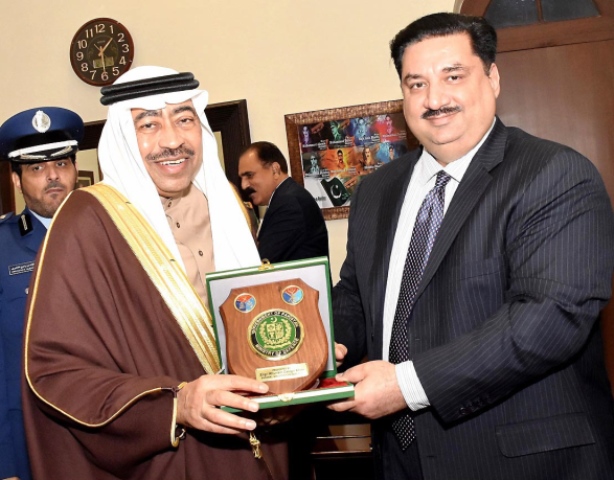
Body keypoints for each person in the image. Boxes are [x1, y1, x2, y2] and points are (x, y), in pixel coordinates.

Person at [329, 12, 614, 480]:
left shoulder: (554, 174)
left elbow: (549, 317)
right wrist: (318, 349)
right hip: (400, 460)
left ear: (493, 77)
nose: (434, 99)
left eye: (453, 77)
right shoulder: (376, 191)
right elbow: (357, 296)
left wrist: (405, 385)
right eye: (416, 84)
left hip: (523, 461)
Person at [22, 67, 288, 480]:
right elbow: (54, 369)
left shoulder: (227, 206)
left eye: (184, 119)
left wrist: (297, 353)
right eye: (148, 123)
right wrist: (174, 405)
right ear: (125, 138)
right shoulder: (86, 220)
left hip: (252, 444)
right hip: (164, 457)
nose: (171, 139)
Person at [0, 107, 82, 480]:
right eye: (36, 168)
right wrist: (6, 463)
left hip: (108, 432)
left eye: (62, 163)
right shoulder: (3, 248)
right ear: (16, 180)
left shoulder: (114, 235)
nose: (53, 176)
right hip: (31, 438)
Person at [239, 141, 328, 264]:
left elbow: (261, 265)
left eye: (249, 175)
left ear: (275, 170)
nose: (244, 185)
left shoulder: (288, 204)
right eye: (241, 178)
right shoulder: (286, 198)